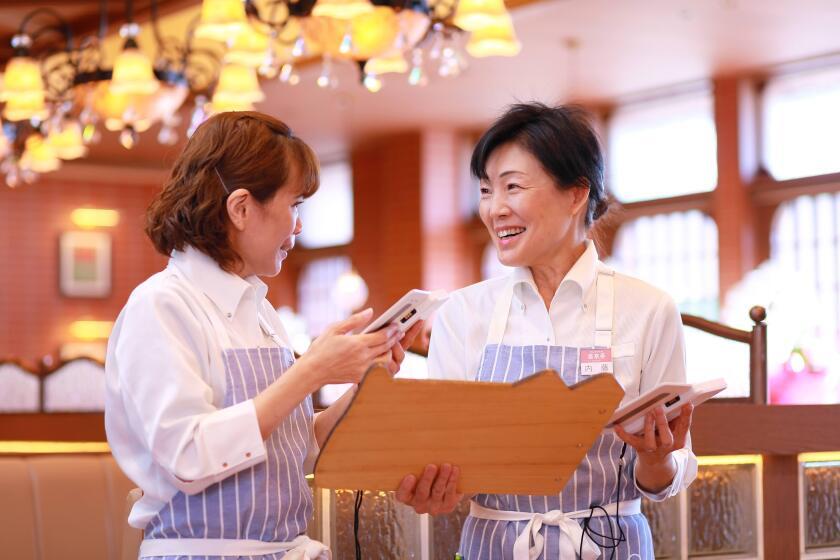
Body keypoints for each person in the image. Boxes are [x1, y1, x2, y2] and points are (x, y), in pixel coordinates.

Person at [105, 111, 420, 559]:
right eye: (295, 205)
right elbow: (189, 457)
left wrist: (364, 385)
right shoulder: (161, 305)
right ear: (241, 207)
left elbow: (296, 450)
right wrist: (312, 369)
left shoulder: (262, 311)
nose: (299, 227)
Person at [396, 103, 697, 559]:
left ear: (576, 194)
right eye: (485, 190)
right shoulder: (464, 312)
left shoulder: (650, 308)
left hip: (609, 545)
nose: (495, 209)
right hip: (497, 545)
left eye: (512, 187)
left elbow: (666, 478)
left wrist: (656, 460)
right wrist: (434, 485)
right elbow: (443, 456)